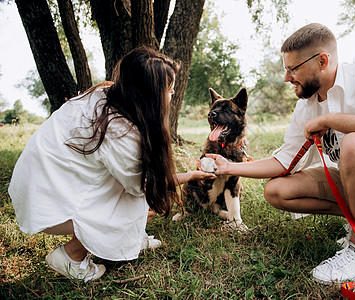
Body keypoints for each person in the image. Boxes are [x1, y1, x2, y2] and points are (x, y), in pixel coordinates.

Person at [206, 23, 355, 285]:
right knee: (277, 190)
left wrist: (332, 119)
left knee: (354, 144)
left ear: (322, 61)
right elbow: (283, 161)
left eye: (292, 69)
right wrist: (228, 167)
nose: (286, 77)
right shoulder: (305, 106)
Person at [8, 47, 215, 282]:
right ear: (151, 95)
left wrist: (187, 175)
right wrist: (189, 176)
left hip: (36, 188)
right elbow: (145, 188)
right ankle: (70, 257)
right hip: (49, 204)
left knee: (132, 187)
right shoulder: (120, 132)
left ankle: (133, 236)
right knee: (140, 198)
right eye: (169, 90)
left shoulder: (107, 95)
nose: (173, 95)